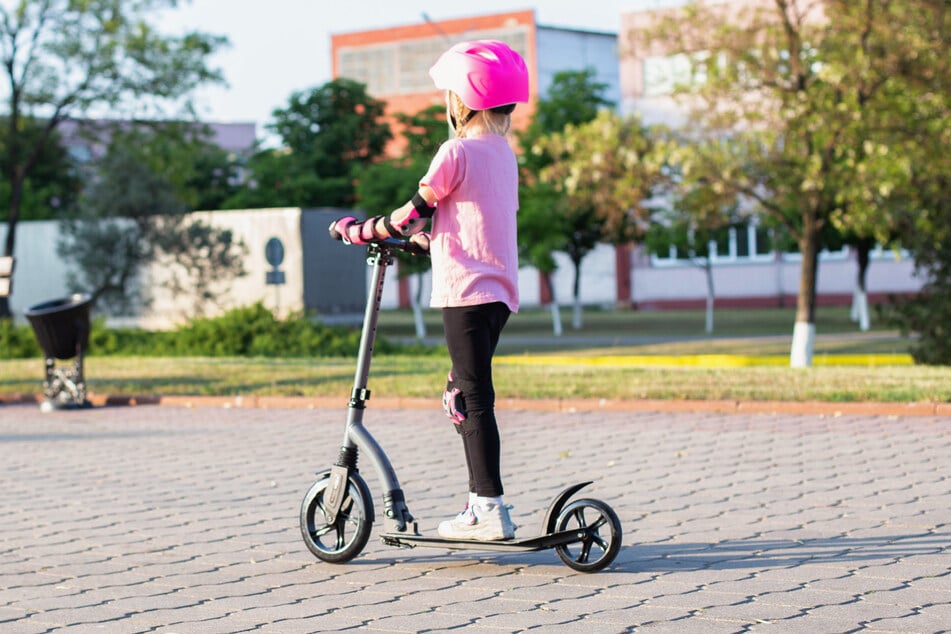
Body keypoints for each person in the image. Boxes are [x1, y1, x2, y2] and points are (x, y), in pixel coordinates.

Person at [329, 39, 529, 541]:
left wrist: (366, 229)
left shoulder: (455, 150)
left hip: (464, 292)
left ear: (459, 101)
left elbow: (413, 209)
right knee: (461, 396)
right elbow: (471, 220)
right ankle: (478, 501)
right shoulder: (503, 154)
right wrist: (427, 240)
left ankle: (488, 508)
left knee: (475, 398)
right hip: (498, 291)